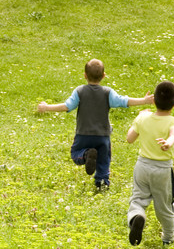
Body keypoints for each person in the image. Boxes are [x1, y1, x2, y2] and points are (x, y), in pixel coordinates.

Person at [37, 59, 154, 188]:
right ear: (104, 76)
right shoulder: (107, 93)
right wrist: (144, 100)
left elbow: (66, 106)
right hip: (102, 135)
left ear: (85, 75)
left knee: (76, 153)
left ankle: (86, 155)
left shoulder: (79, 91)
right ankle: (102, 182)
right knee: (103, 160)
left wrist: (47, 107)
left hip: (83, 134)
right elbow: (124, 101)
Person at [125, 80, 174, 246]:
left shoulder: (143, 118)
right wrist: (168, 143)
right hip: (162, 170)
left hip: (142, 166)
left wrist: (138, 117)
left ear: (154, 101)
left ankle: (137, 216)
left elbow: (129, 139)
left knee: (137, 199)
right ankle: (169, 237)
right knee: (164, 205)